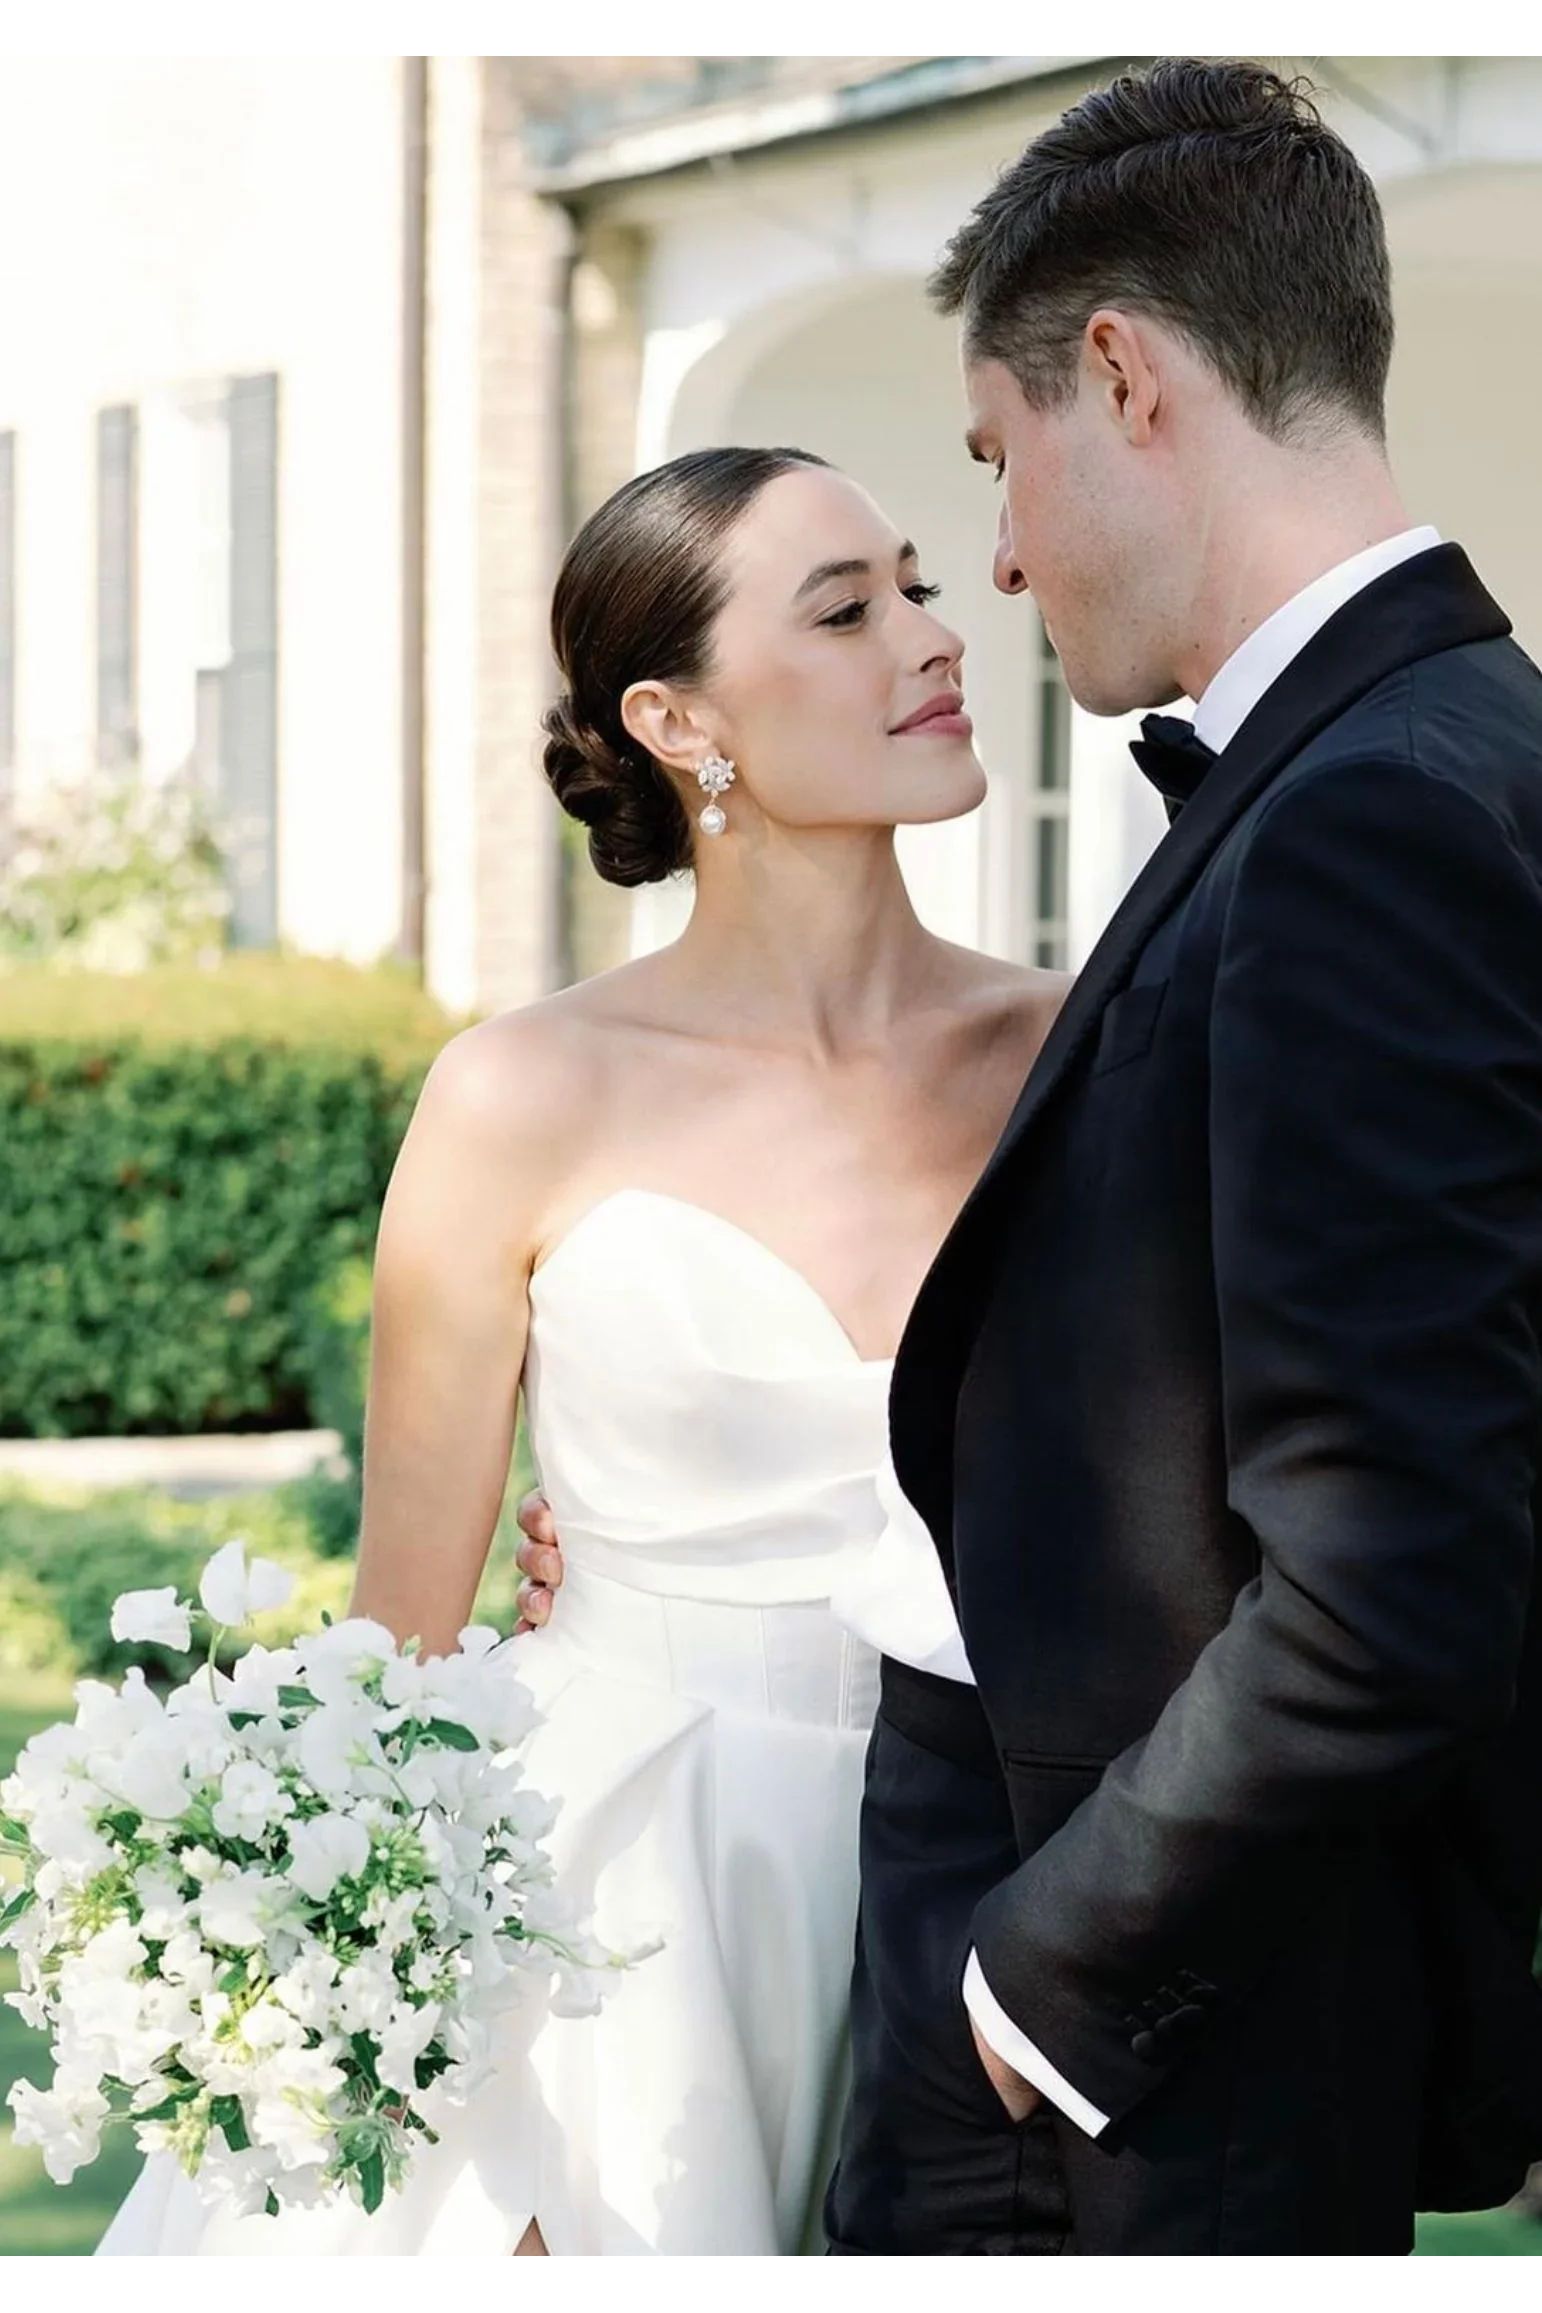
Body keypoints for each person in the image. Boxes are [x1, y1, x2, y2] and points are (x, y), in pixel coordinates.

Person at [522, 59, 1542, 2256]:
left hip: (1117, 2054)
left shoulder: (1365, 811)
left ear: (1125, 377)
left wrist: (1036, 1981)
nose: (988, 564)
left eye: (992, 462)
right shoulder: (1438, 748)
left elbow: (1395, 1555)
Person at [96, 444, 1066, 2257]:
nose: (932, 637)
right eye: (844, 611)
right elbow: (395, 1652)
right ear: (676, 722)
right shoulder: (518, 1095)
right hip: (614, 1909)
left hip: (1001, 1892)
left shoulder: (1077, 1054)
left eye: (918, 587)